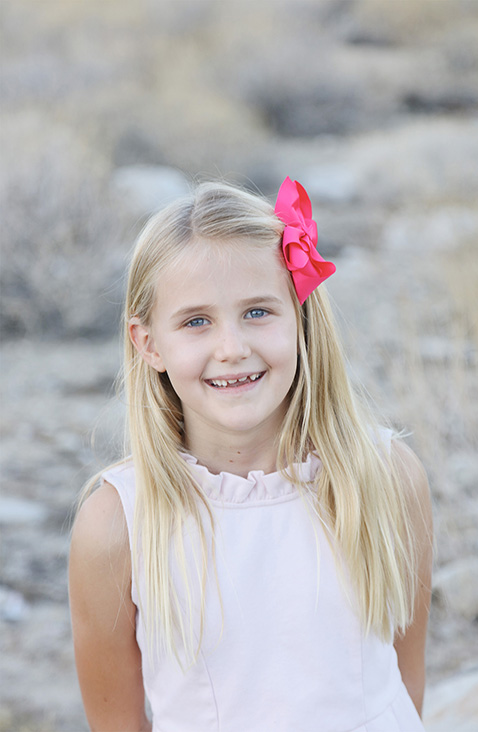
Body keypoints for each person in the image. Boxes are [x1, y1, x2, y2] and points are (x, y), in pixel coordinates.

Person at [68, 178, 433, 731]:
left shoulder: (384, 476)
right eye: (196, 321)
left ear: (300, 317)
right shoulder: (116, 525)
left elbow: (404, 682)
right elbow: (116, 719)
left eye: (258, 312)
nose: (232, 348)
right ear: (149, 345)